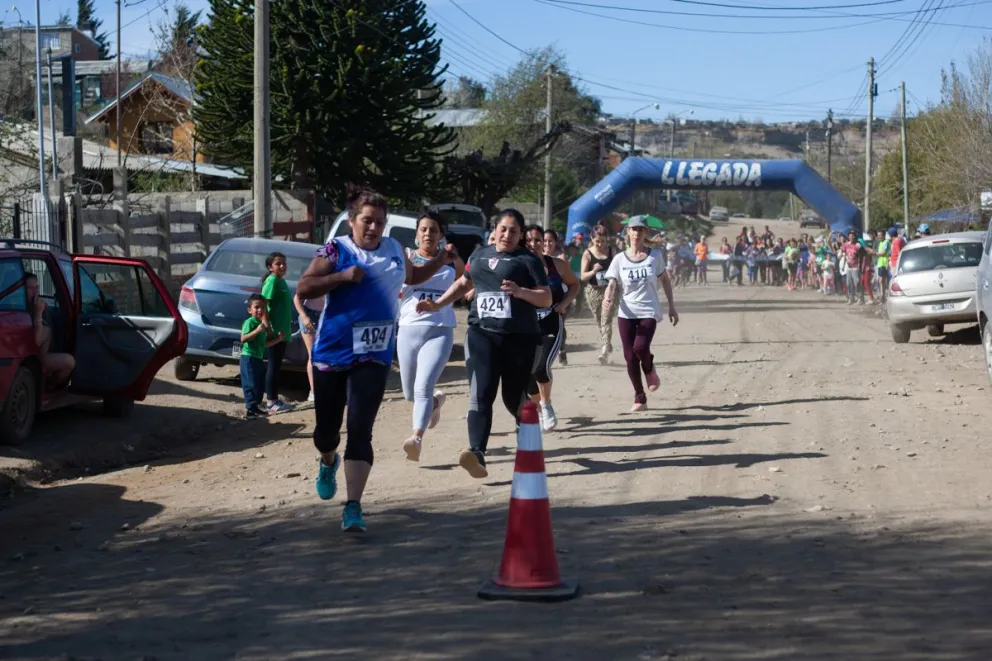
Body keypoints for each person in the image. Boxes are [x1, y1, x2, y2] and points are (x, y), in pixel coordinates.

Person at [296, 187, 455, 532]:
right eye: (367, 221)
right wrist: (341, 277)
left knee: (360, 429)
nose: (373, 228)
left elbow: (413, 276)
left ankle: (353, 506)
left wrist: (440, 262)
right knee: (327, 431)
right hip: (332, 353)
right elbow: (304, 287)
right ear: (352, 221)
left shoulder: (395, 250)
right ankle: (327, 460)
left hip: (374, 354)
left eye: (380, 222)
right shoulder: (337, 250)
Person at [417, 209, 550, 479]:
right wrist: (438, 303)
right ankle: (477, 452)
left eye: (513, 231)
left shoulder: (528, 260)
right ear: (495, 229)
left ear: (520, 235)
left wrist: (520, 292)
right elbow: (464, 282)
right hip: (482, 333)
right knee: (481, 393)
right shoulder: (479, 255)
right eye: (503, 229)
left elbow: (546, 298)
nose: (507, 235)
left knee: (513, 397)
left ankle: (524, 423)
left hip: (519, 337)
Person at [396, 212, 464, 462]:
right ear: (416, 233)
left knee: (423, 387)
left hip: (439, 329)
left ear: (441, 235)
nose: (428, 234)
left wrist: (458, 264)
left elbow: (464, 283)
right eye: (423, 229)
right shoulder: (406, 257)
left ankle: (416, 438)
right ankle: (435, 404)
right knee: (409, 394)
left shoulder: (451, 261)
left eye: (433, 230)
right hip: (407, 328)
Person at [602, 216, 679, 412]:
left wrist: (671, 305)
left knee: (640, 347)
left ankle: (649, 367)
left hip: (648, 310)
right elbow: (612, 283)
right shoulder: (619, 259)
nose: (636, 233)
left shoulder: (655, 256)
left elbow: (665, 280)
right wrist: (607, 299)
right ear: (627, 232)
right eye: (633, 229)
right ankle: (639, 396)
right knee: (629, 356)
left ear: (645, 233)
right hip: (626, 312)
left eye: (640, 230)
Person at [525, 225, 580, 431]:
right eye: (528, 240)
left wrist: (564, 304)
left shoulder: (557, 265)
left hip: (551, 321)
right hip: (526, 326)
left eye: (537, 240)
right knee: (527, 373)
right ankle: (539, 408)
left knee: (541, 366)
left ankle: (546, 405)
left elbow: (574, 284)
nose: (533, 244)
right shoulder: (517, 266)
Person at [24, 273, 74, 388]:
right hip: (32, 359)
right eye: (31, 288)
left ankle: (49, 387)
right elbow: (37, 341)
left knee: (69, 362)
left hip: (41, 356)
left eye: (37, 287)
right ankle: (46, 387)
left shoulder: (40, 306)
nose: (35, 291)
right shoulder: (21, 308)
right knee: (69, 361)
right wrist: (38, 315)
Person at [240, 294, 285, 419]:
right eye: (257, 307)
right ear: (250, 309)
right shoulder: (250, 323)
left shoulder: (261, 325)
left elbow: (264, 344)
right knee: (251, 384)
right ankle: (250, 409)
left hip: (258, 358)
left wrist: (278, 339)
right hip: (248, 358)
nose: (260, 310)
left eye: (263, 308)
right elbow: (243, 339)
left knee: (259, 384)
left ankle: (256, 407)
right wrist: (257, 331)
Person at [261, 252, 294, 413]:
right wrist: (268, 329)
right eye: (278, 264)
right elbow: (263, 305)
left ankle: (274, 399)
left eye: (284, 263)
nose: (282, 266)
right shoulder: (272, 281)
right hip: (274, 333)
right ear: (270, 267)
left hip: (282, 332)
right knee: (273, 366)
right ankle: (271, 402)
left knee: (277, 366)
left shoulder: (281, 281)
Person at [581, 224, 618, 365]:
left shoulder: (611, 252)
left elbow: (617, 270)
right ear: (592, 239)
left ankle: (604, 350)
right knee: (599, 320)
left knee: (606, 319)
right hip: (593, 291)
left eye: (603, 241)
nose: (601, 244)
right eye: (597, 241)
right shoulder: (587, 254)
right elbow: (583, 276)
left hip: (609, 290)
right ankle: (607, 343)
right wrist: (593, 271)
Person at [543, 229, 572, 366]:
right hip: (543, 299)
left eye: (550, 241)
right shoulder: (536, 257)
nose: (547, 244)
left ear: (555, 242)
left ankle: (562, 349)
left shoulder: (560, 258)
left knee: (559, 325)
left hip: (560, 298)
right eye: (545, 241)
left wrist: (566, 300)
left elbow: (570, 280)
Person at [292, 290, 325, 402]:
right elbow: (297, 298)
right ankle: (314, 392)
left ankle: (326, 389)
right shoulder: (313, 279)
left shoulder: (335, 278)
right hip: (310, 315)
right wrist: (304, 316)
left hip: (327, 316)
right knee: (313, 355)